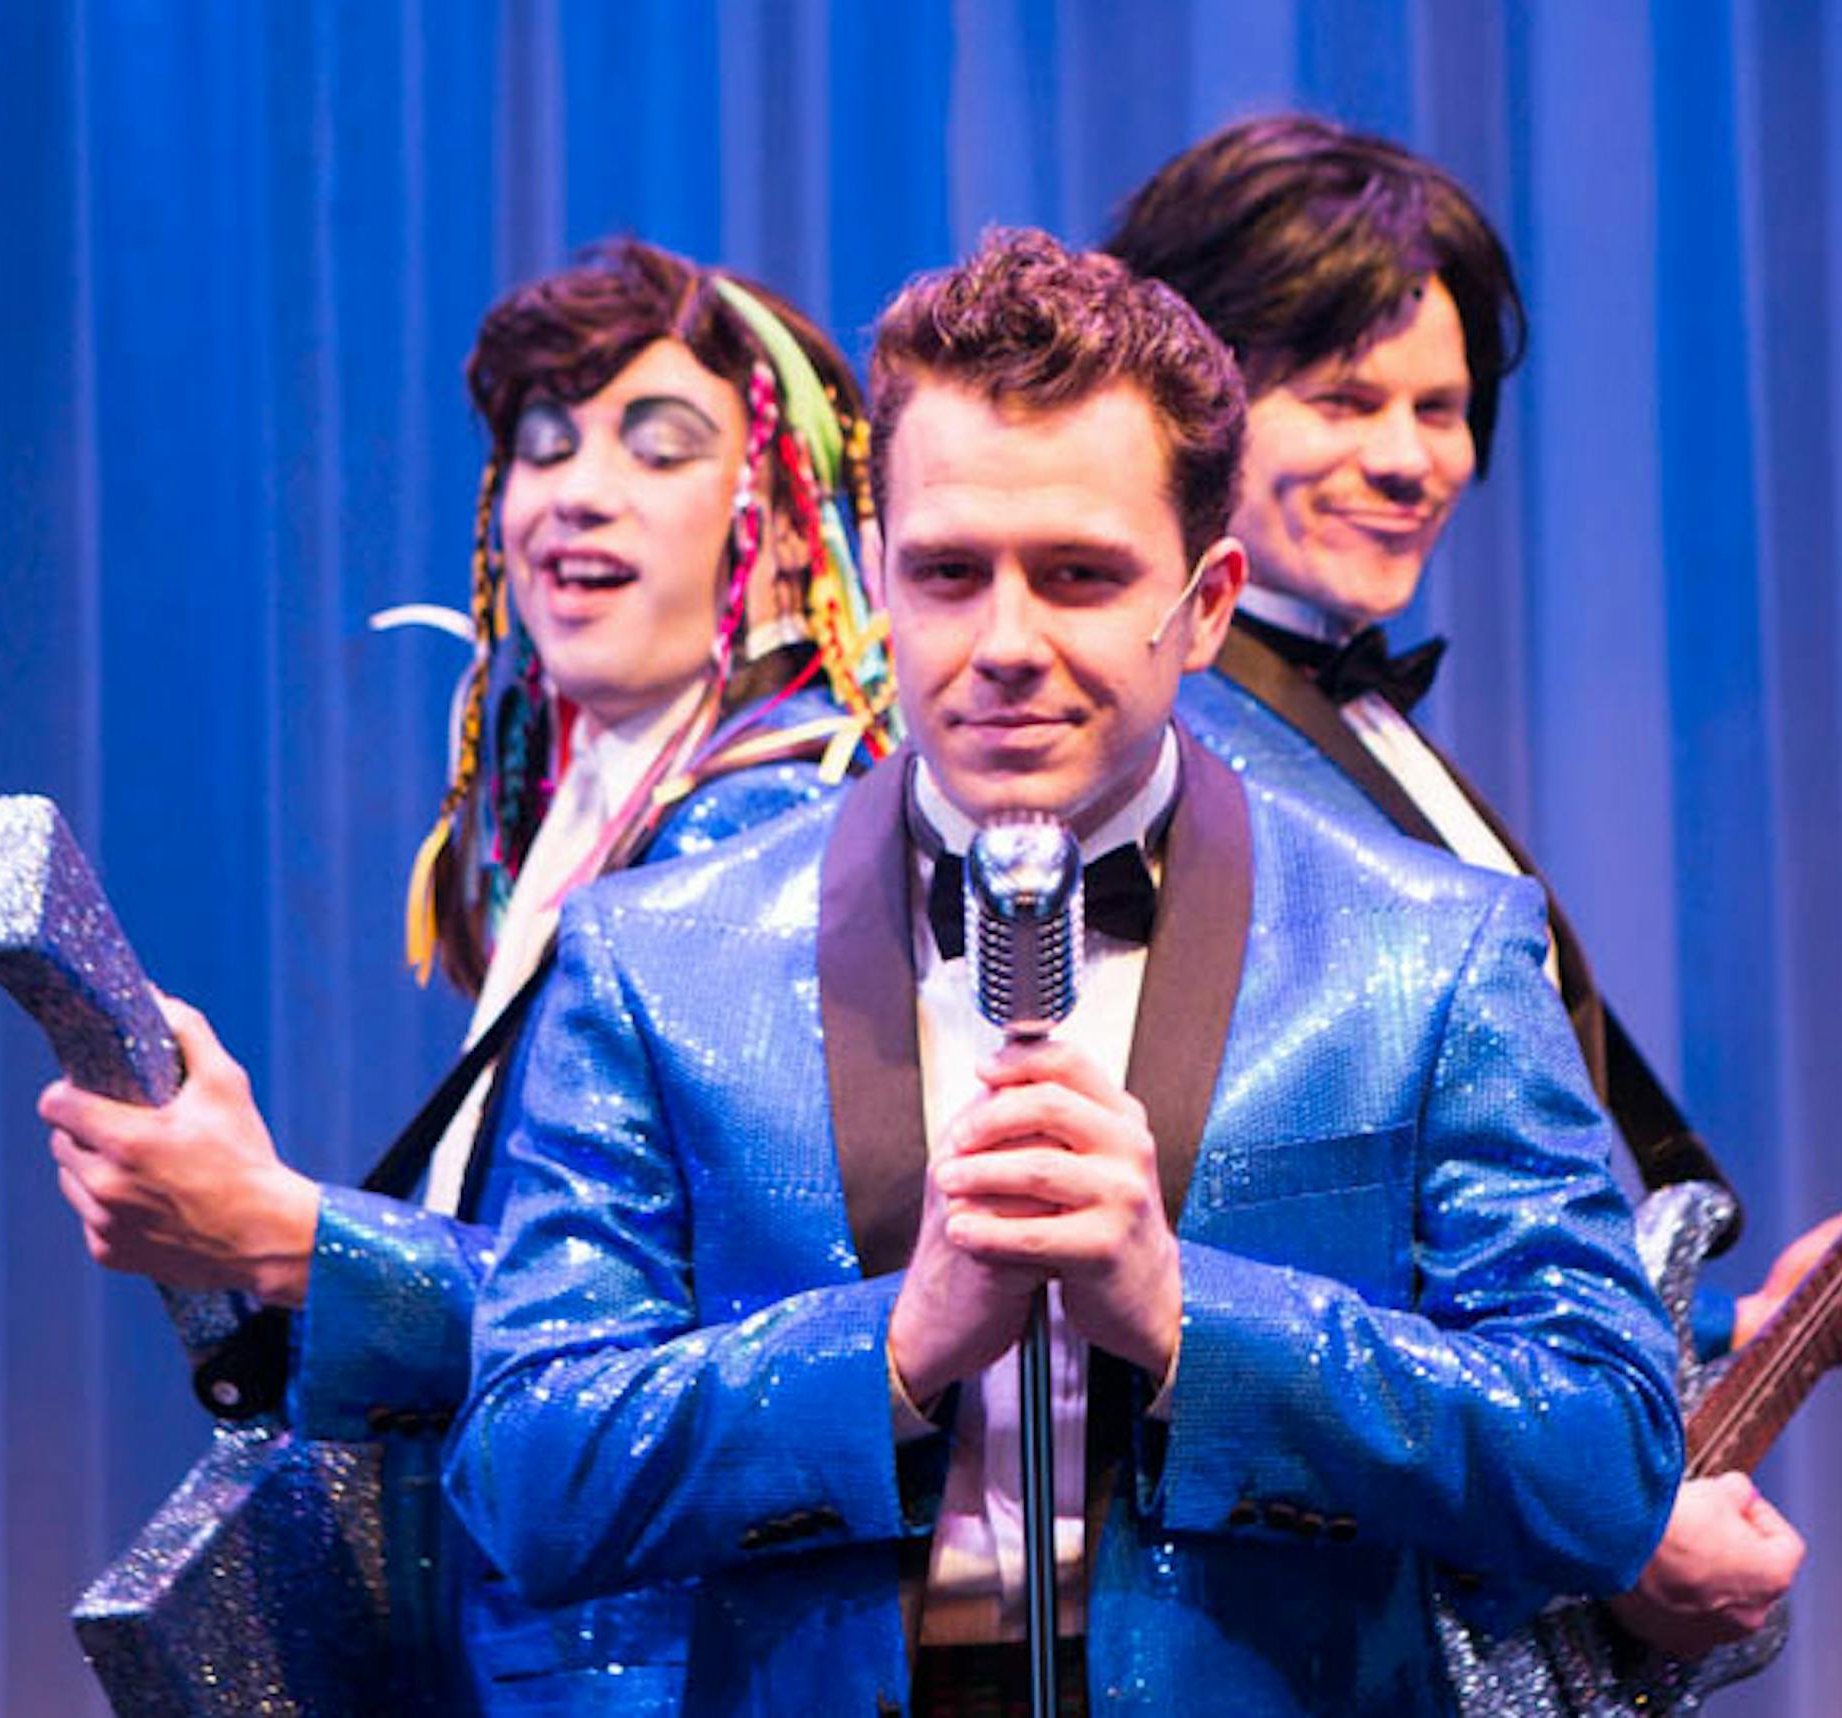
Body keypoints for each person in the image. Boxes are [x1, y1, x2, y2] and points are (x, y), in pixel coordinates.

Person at [447, 228, 1682, 1717]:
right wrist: (890, 1350)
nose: (1009, 642)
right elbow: (523, 1469)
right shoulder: (654, 955)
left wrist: (1187, 1318)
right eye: (952, 572)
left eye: (1083, 575)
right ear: (878, 577)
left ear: (1208, 600)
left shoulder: (1436, 944)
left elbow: (1606, 1458)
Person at [1104, 113, 1842, 1667]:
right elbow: (1237, 1250)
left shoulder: (1354, 729)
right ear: (1189, 414)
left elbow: (1453, 1246)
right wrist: (1614, 1514)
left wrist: (1744, 1327)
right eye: (1342, 398)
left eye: (1442, 407)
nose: (1410, 456)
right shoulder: (1170, 757)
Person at [36, 237, 891, 1710]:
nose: (574, 488)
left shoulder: (775, 838)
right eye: (541, 449)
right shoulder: (605, 814)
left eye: (658, 443)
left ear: (794, 524)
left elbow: (715, 1336)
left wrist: (290, 1231)